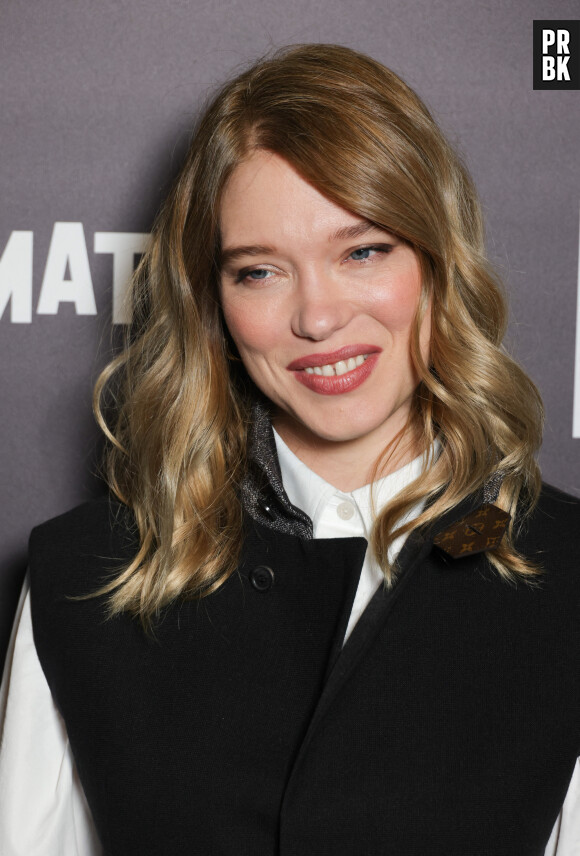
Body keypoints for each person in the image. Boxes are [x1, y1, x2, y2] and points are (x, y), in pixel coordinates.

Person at [0, 43, 579, 856]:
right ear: (214, 306)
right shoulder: (82, 578)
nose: (316, 316)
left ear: (438, 262)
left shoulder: (569, 578)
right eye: (260, 271)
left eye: (363, 251)